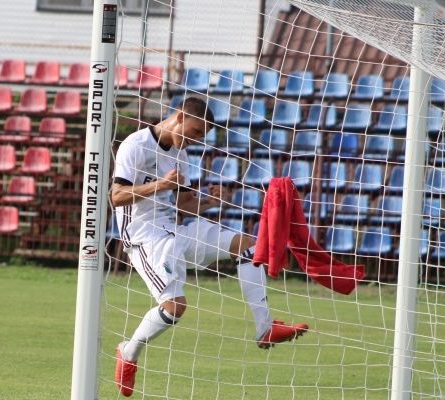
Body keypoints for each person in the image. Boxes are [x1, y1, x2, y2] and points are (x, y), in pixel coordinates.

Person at [111, 97, 309, 397]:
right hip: (143, 234)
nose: (194, 139)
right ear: (178, 117)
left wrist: (208, 202)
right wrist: (159, 186)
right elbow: (116, 196)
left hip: (174, 229)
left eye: (200, 136)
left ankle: (264, 327)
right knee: (174, 307)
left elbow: (183, 206)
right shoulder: (135, 145)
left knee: (247, 246)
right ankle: (128, 352)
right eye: (193, 131)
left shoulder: (181, 155)